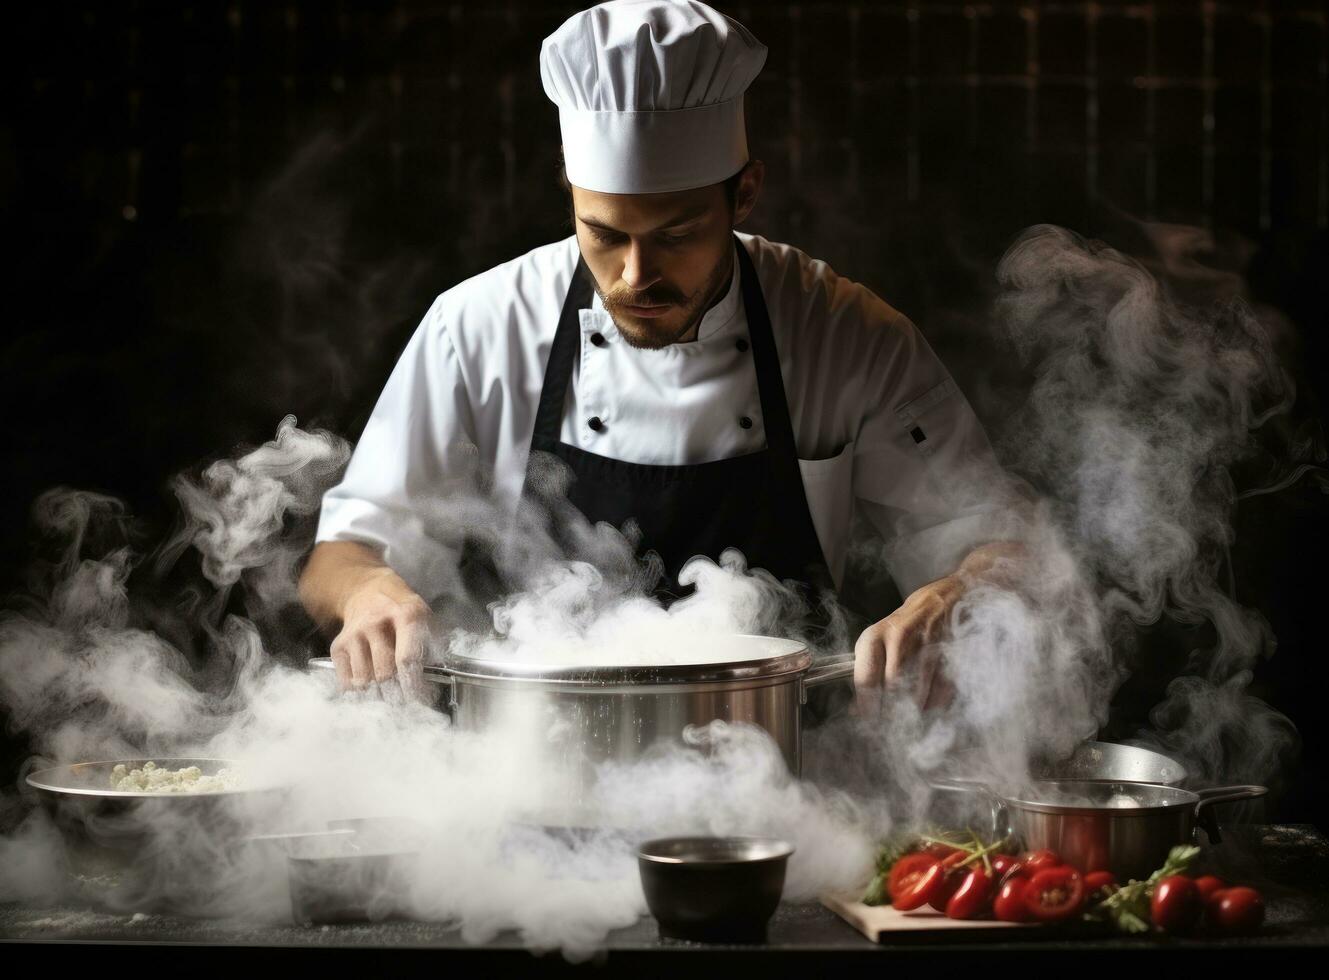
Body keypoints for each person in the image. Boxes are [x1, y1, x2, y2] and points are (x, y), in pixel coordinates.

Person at [299, 0, 1019, 711]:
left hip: (785, 768)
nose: (635, 275)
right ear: (571, 193)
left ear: (744, 195)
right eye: (605, 234)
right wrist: (367, 592)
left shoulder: (846, 333)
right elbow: (340, 556)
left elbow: (1006, 552)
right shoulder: (478, 326)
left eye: (675, 234)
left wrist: (952, 592)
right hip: (527, 767)